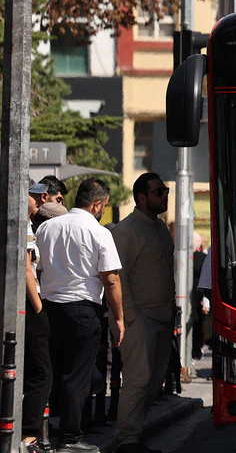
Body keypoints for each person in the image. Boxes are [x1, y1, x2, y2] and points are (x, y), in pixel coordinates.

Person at [36, 178, 124, 453]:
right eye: (104, 206)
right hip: (82, 311)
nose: (103, 211)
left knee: (48, 373)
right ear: (96, 204)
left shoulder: (47, 227)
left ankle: (39, 433)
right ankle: (70, 438)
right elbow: (111, 279)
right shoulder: (99, 233)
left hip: (48, 308)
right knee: (77, 376)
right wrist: (119, 318)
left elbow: (37, 269)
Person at [111, 173, 176, 453]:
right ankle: (126, 441)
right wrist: (131, 317)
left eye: (165, 190)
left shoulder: (159, 227)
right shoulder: (127, 230)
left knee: (153, 382)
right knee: (137, 381)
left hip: (162, 317)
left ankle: (133, 436)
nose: (164, 196)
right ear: (141, 197)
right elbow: (117, 277)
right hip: (139, 319)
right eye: (159, 192)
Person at [22, 180, 54, 453]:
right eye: (36, 195)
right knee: (41, 373)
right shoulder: (20, 224)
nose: (41, 199)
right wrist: (39, 307)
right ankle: (28, 437)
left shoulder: (30, 224)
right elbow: (26, 270)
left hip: (31, 302)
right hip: (29, 304)